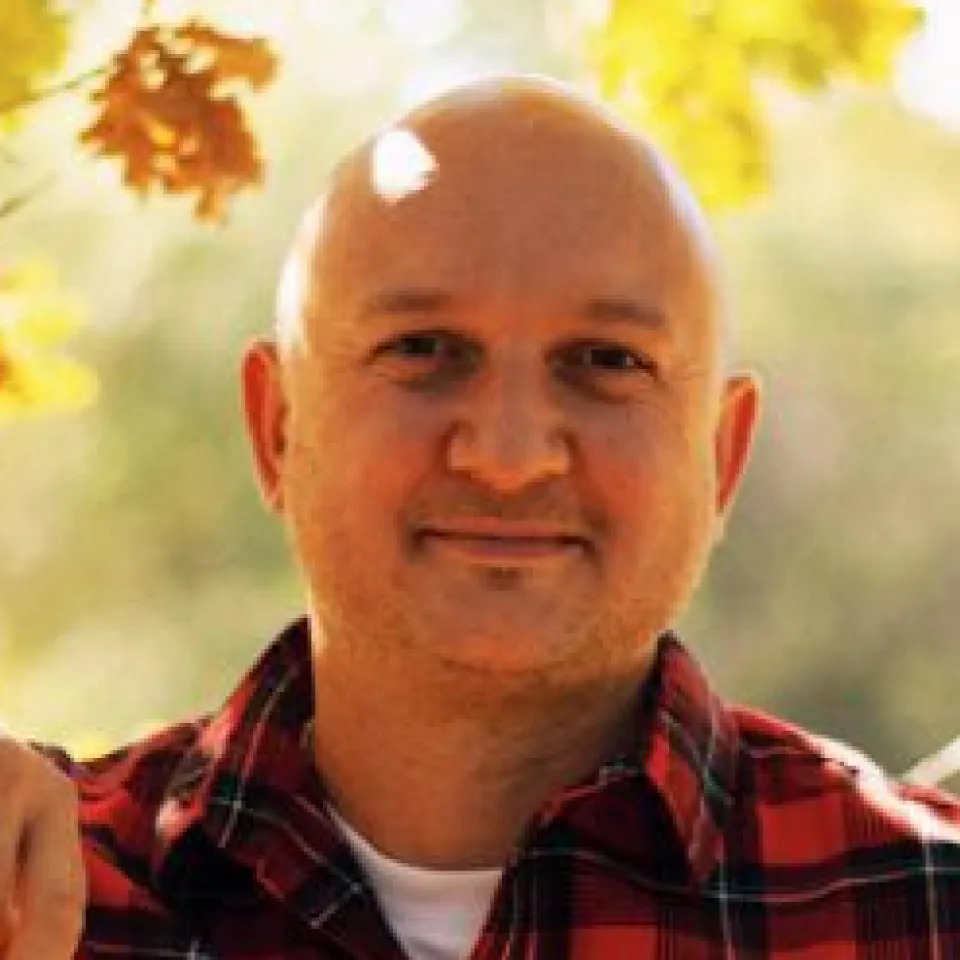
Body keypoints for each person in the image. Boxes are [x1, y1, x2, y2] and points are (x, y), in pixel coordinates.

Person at [1, 74, 959, 960]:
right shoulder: (45, 894)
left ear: (721, 456)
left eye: (608, 360)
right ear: (277, 427)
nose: (507, 456)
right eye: (423, 348)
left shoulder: (924, 908)